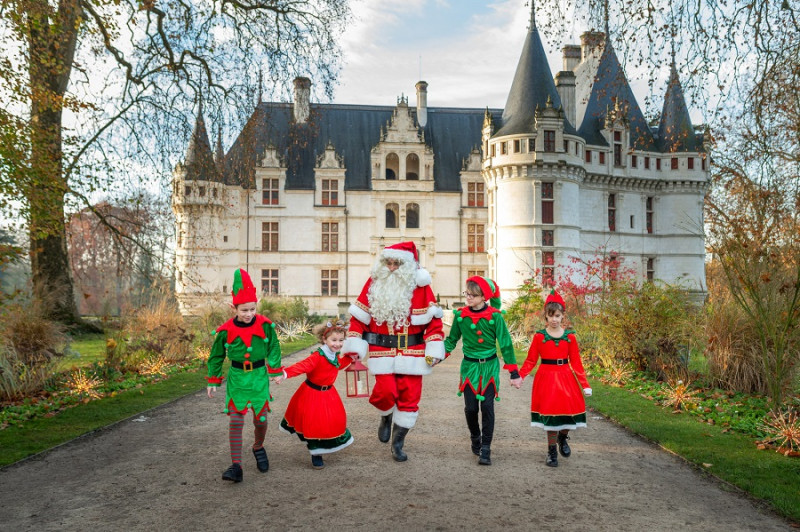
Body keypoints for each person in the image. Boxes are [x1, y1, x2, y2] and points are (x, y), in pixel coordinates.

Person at [342, 241, 444, 462]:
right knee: (386, 392)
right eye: (387, 262)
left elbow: (434, 325)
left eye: (396, 263)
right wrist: (354, 342)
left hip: (414, 353)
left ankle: (398, 444)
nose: (390, 267)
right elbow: (358, 319)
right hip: (382, 352)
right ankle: (386, 415)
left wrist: (435, 348)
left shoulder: (421, 288)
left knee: (409, 399)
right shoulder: (373, 283)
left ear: (407, 265)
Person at [206, 268, 284, 482]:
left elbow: (274, 348)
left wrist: (276, 370)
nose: (249, 314)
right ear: (234, 308)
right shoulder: (225, 330)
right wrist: (213, 379)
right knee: (236, 421)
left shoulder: (265, 325)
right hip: (238, 378)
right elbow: (216, 355)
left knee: (260, 420)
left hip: (258, 376)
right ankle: (236, 466)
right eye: (244, 310)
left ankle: (258, 446)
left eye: (252, 309)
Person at [435, 276, 522, 465]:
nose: (469, 298)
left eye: (473, 295)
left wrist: (514, 371)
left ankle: (486, 448)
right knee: (471, 408)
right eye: (467, 294)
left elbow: (505, 344)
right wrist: (438, 355)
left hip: (489, 367)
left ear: (484, 296)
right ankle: (475, 436)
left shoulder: (495, 316)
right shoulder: (461, 316)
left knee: (488, 408)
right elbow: (451, 341)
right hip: (470, 367)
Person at [516, 289, 592, 467]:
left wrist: (585, 384)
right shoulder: (539, 337)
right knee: (550, 415)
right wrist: (520, 376)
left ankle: (563, 438)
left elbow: (577, 363)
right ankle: (551, 452)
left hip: (566, 378)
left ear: (563, 316)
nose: (554, 319)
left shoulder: (570, 338)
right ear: (546, 317)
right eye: (551, 316)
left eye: (558, 315)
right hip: (546, 379)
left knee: (567, 414)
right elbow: (531, 360)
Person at [273, 321, 355, 469]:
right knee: (315, 423)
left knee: (333, 419)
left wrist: (350, 358)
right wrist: (284, 373)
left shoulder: (334, 355)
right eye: (334, 340)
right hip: (312, 394)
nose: (337, 344)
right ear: (325, 340)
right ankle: (316, 453)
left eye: (341, 340)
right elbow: (302, 366)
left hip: (329, 394)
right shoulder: (318, 356)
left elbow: (339, 364)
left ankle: (326, 444)